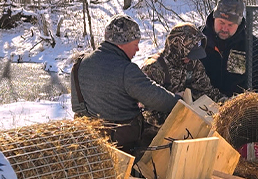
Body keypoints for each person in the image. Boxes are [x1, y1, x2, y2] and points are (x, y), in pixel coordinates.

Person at [70, 14, 182, 157]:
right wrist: (177, 99)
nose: (137, 50)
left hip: (88, 145)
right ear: (122, 43)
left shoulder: (79, 65)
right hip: (123, 148)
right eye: (135, 44)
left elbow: (77, 107)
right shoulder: (127, 70)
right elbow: (156, 98)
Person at [200, 0, 258, 98]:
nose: (224, 28)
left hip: (238, 107)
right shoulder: (198, 39)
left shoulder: (253, 46)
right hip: (201, 104)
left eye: (230, 25)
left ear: (239, 24)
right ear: (214, 18)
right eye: (221, 22)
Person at [142, 22, 226, 104]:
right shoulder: (153, 68)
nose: (190, 59)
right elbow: (144, 104)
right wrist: (173, 100)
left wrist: (225, 103)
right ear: (176, 48)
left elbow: (206, 91)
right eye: (187, 55)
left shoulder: (193, 64)